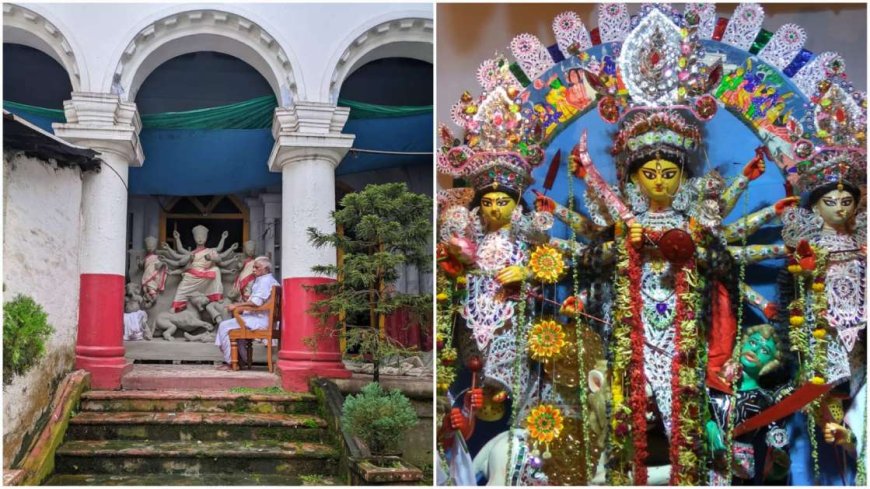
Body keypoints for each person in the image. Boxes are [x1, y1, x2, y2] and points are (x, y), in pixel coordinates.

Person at [214, 256, 279, 369]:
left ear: (266, 269)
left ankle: (231, 362)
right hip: (264, 318)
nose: (253, 269)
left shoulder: (265, 281)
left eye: (257, 267)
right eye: (253, 267)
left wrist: (236, 306)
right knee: (235, 329)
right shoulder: (270, 280)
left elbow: (255, 303)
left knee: (224, 326)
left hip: (260, 320)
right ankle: (241, 361)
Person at [166, 225, 237, 312]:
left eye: (203, 236)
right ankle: (176, 305)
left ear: (206, 238)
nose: (200, 238)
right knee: (182, 286)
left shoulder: (211, 251)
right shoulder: (191, 253)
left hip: (205, 274)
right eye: (197, 236)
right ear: (194, 238)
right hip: (192, 274)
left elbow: (219, 253)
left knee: (216, 270)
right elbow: (180, 250)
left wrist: (223, 238)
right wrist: (177, 238)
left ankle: (217, 296)